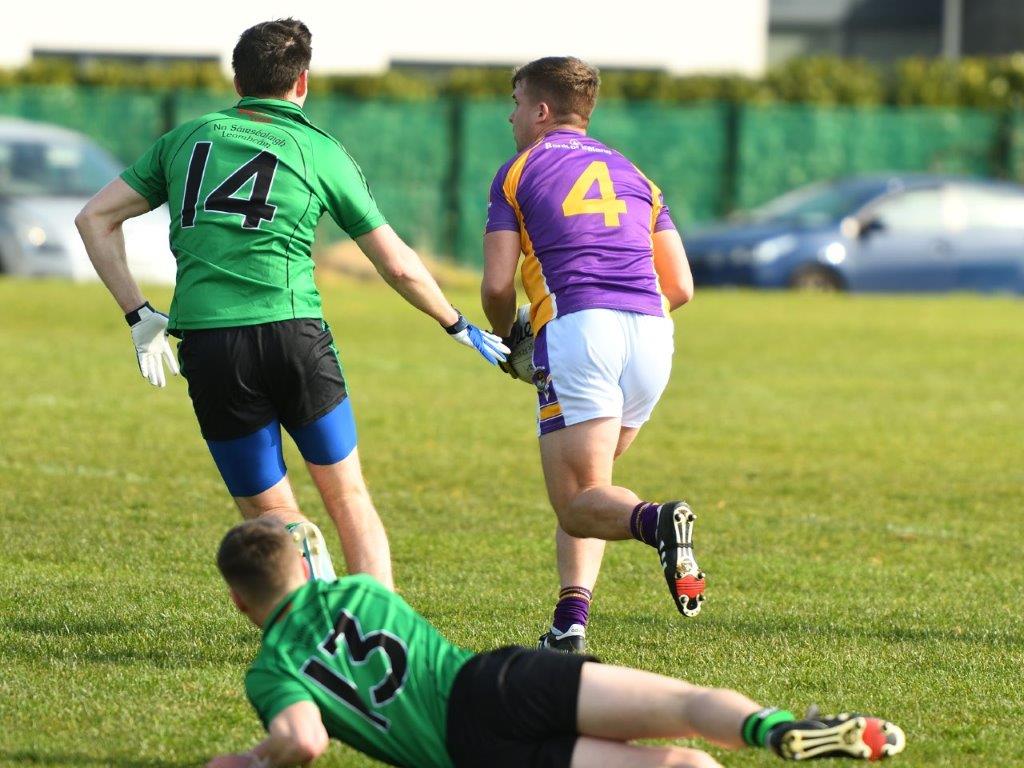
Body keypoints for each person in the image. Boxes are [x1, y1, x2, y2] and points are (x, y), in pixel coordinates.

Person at [74, 18, 507, 589]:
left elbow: (94, 218)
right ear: (302, 83)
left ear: (237, 79)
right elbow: (397, 263)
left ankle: (307, 594)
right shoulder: (320, 150)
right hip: (294, 336)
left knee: (269, 513)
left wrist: (139, 315)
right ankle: (382, 631)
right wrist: (455, 324)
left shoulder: (186, 138)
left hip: (212, 343)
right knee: (348, 496)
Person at [206, 518, 905, 768]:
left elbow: (302, 741)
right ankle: (776, 728)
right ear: (304, 569)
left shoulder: (271, 672)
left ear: (241, 603)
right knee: (690, 707)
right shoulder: (356, 592)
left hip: (475, 757)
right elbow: (360, 552)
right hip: (491, 682)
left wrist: (250, 759)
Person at [480, 56, 699, 652]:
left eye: (518, 103)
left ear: (543, 111)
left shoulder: (516, 171)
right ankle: (569, 626)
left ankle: (658, 520)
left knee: (579, 504)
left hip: (582, 331)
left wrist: (509, 340)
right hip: (652, 335)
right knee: (592, 488)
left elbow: (498, 287)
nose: (512, 115)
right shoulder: (636, 174)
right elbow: (679, 285)